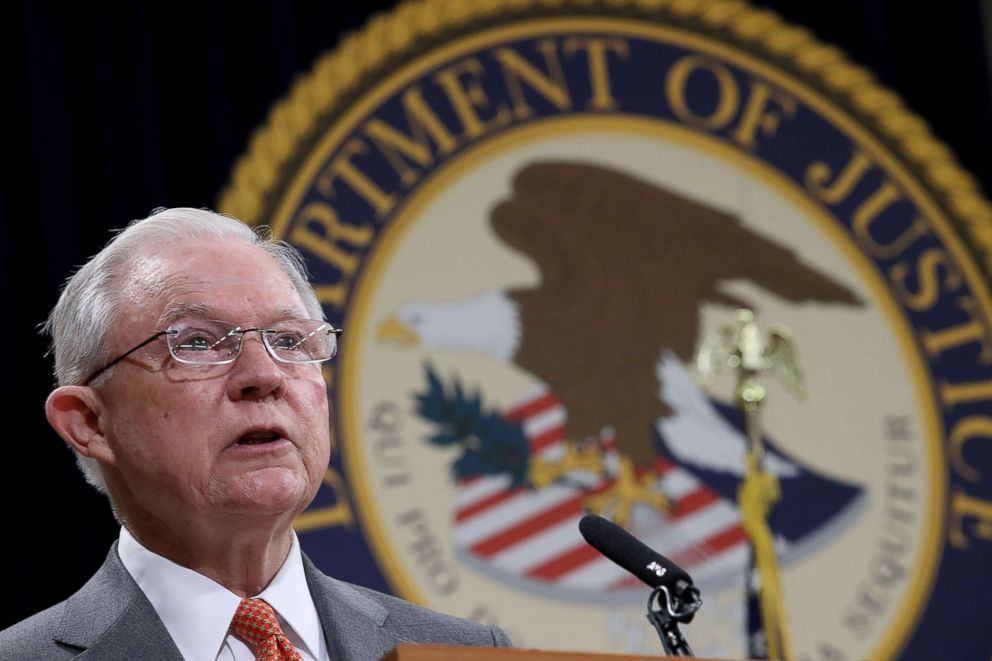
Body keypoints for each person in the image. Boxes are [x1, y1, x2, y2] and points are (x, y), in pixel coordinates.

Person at [0, 207, 511, 660]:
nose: (264, 376)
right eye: (198, 342)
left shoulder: (466, 654)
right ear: (89, 423)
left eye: (288, 339)